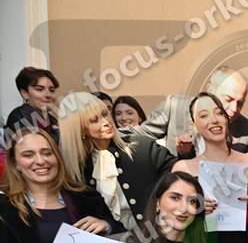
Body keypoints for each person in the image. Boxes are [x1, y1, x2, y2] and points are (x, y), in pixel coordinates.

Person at [173, 92, 248, 243]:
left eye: (219, 113)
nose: (214, 120)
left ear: (226, 119)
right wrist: (194, 208)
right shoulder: (184, 168)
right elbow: (173, 218)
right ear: (194, 125)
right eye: (203, 115)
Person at [58, 92, 175, 230]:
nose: (106, 122)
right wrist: (108, 224)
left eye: (105, 114)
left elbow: (178, 175)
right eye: (94, 120)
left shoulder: (142, 147)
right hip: (112, 241)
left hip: (158, 234)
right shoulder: (79, 170)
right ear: (80, 130)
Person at [125, 66, 248, 156]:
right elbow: (140, 135)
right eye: (228, 99)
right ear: (210, 90)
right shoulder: (175, 107)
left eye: (240, 103)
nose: (234, 108)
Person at [4, 67, 59, 143]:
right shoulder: (18, 118)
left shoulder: (52, 118)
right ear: (25, 93)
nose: (48, 95)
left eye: (52, 90)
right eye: (39, 89)